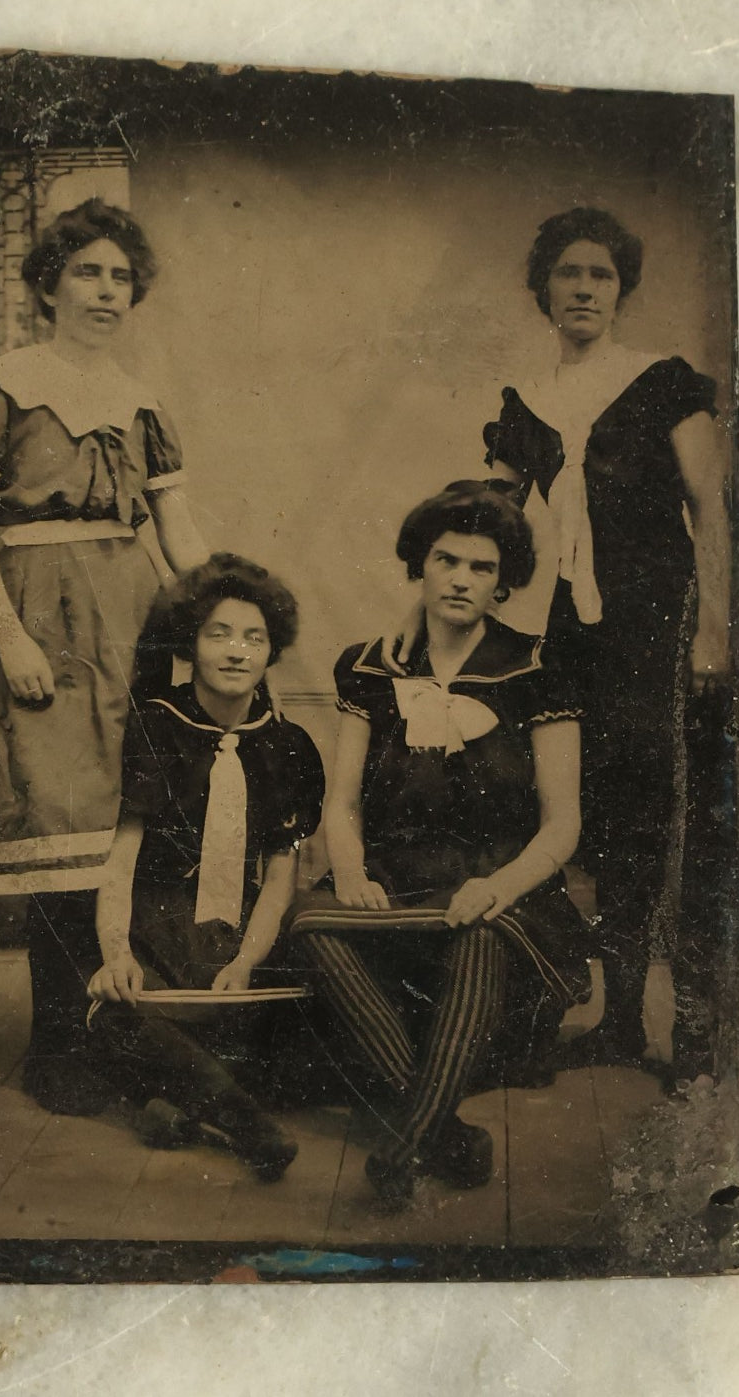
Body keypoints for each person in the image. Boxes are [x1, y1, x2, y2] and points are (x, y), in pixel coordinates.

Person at [0, 198, 207, 1114]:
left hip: (132, 625)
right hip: (40, 621)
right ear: (49, 283)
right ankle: (55, 1046)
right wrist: (10, 636)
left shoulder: (143, 404)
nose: (105, 291)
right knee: (58, 833)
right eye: (87, 272)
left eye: (121, 277)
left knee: (118, 831)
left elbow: (179, 536)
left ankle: (116, 1040)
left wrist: (230, 614)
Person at [482, 207, 732, 1072]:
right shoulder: (526, 402)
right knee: (577, 806)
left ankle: (670, 1029)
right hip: (566, 627)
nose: (584, 288)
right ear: (543, 289)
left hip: (656, 622)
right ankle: (607, 1016)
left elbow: (709, 509)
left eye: (601, 274)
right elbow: (491, 520)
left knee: (651, 809)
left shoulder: (663, 381)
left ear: (621, 290)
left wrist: (712, 628)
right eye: (568, 273)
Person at [293, 481, 590, 1210]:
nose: (461, 579)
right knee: (313, 928)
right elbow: (343, 800)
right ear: (418, 567)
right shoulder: (370, 665)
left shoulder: (537, 668)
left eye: (481, 567)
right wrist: (351, 871)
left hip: (499, 883)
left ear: (502, 582)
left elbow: (563, 824)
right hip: (394, 879)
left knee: (481, 933)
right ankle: (443, 1132)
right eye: (445, 560)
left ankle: (404, 1147)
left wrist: (498, 886)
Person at [87, 554, 324, 1181]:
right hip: (157, 925)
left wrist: (246, 962)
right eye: (218, 634)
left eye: (254, 638)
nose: (237, 651)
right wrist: (117, 953)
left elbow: (280, 875)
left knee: (301, 1025)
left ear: (272, 650)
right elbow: (121, 859)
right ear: (190, 642)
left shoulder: (289, 744)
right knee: (117, 1008)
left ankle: (175, 1107)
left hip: (242, 931)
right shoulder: (152, 726)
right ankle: (248, 1126)